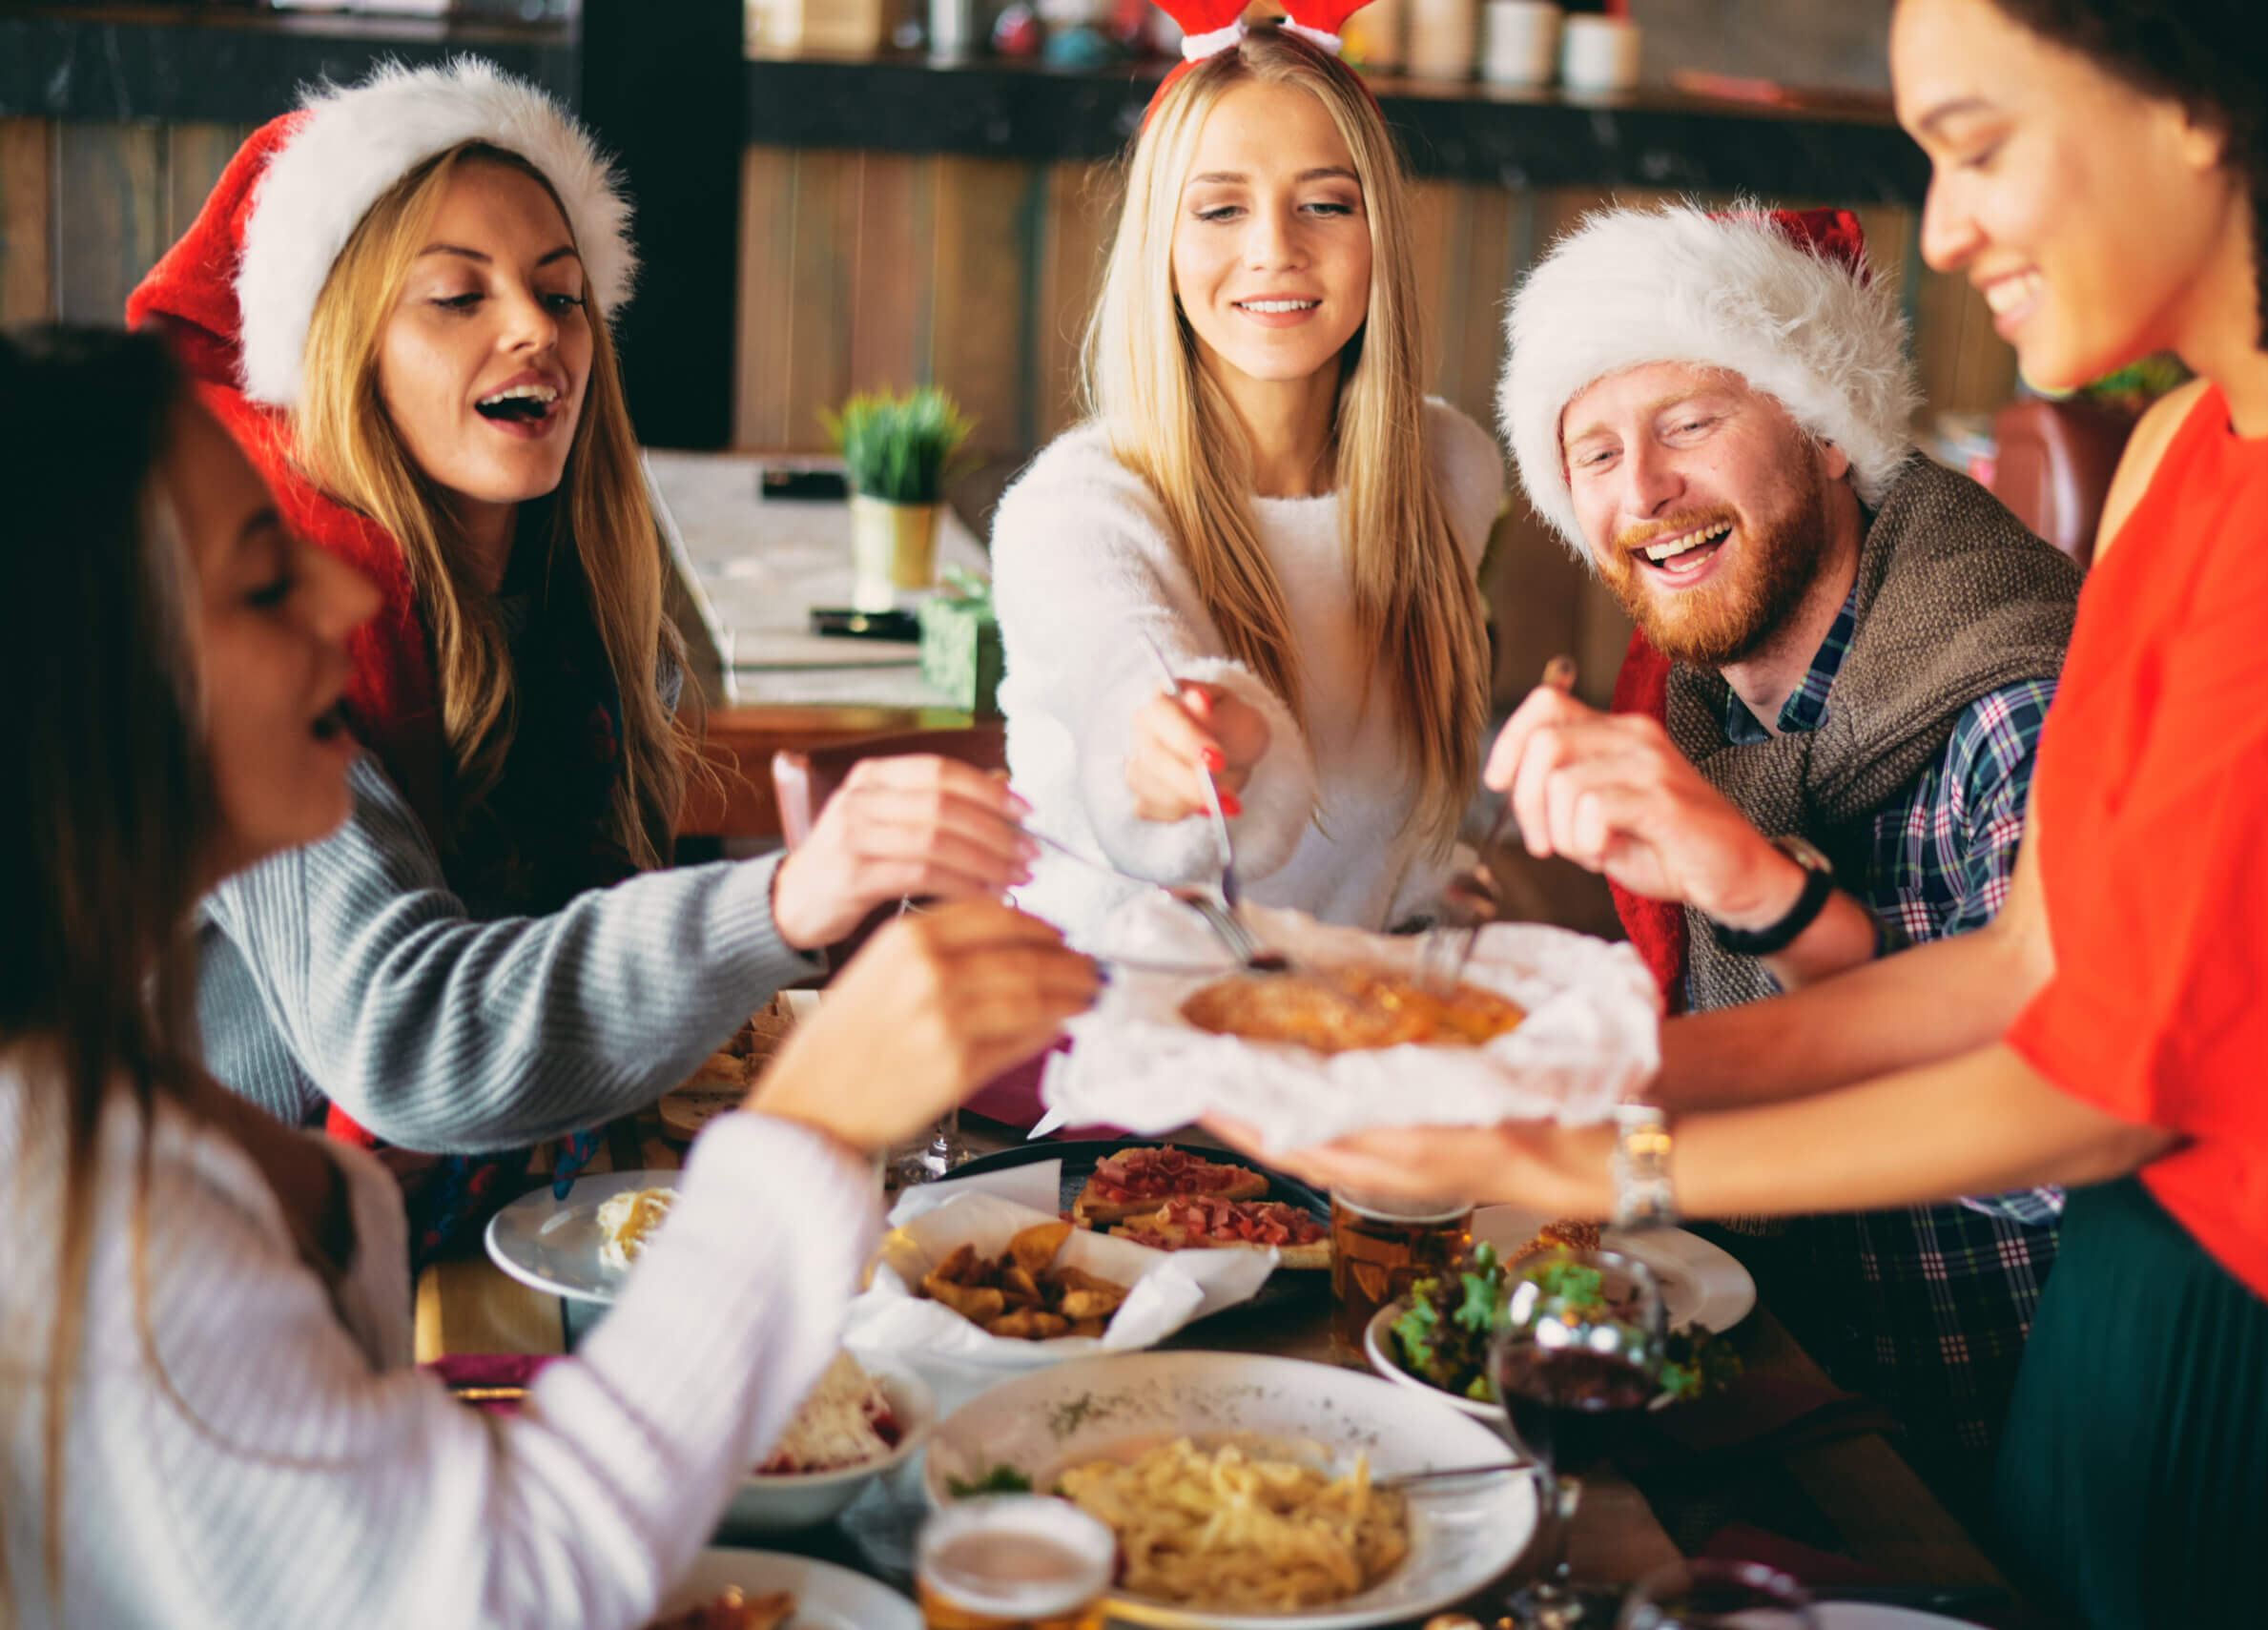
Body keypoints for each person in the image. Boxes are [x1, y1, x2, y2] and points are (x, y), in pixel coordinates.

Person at [1213, 0, 2268, 1620]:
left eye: (1979, 145)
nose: (1941, 232)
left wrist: (1591, 1152)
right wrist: (1577, 1068)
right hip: (2110, 1351)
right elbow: (2023, 964)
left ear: (2196, 91)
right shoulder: (2176, 449)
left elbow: (2108, 1092)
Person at [0, 325, 1101, 1627]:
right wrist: (812, 1117)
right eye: (261, 583)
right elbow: (502, 1590)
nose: (343, 603)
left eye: (566, 292)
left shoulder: (90, 1088)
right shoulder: (93, 1213)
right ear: (80, 691)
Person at [126, 62, 1026, 1252]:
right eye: (457, 296)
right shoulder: (272, 652)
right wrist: (779, 898)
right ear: (346, 352)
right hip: (209, 1274)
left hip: (494, 1212)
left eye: (562, 294)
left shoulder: (586, 624)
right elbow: (406, 1039)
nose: (533, 329)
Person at [1490, 201, 2081, 1502]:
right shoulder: (1695, 697)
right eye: (1592, 450)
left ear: (1827, 433)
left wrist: (1755, 886)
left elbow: (2051, 1170)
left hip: (1975, 1452)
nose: (1640, 490)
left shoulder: (2013, 710)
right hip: (1768, 1368)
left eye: (1690, 422)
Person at [990, 16, 1505, 949]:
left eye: (1325, 203)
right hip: (1109, 1041)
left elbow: (1412, 834)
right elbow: (1125, 671)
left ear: (1378, 231)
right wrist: (1168, 743)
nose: (1275, 248)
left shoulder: (1450, 471)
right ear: (1161, 243)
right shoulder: (1070, 513)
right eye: (1221, 208)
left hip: (1356, 1028)